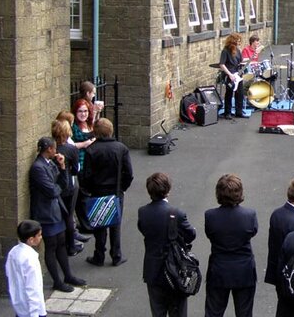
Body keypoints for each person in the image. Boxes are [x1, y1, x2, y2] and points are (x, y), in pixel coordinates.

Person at [29, 137, 86, 292]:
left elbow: (63, 183)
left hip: (56, 210)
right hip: (46, 213)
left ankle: (68, 275)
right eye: (55, 149)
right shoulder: (38, 168)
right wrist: (58, 183)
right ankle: (57, 281)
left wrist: (61, 166)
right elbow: (53, 191)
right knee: (51, 245)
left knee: (61, 242)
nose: (57, 152)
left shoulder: (50, 163)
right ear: (49, 149)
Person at [137, 172, 196, 317]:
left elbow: (143, 229)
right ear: (167, 191)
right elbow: (191, 235)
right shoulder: (177, 214)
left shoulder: (143, 212)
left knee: (157, 310)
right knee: (178, 310)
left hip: (153, 270)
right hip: (175, 269)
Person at [204, 174, 258, 317]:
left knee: (213, 312)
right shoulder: (249, 215)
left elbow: (210, 234)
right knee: (244, 313)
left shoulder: (210, 216)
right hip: (244, 271)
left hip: (218, 271)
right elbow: (253, 232)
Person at [82, 118, 134, 267]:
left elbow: (86, 175)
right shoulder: (121, 148)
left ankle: (99, 256)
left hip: (98, 191)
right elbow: (128, 173)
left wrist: (89, 190)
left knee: (99, 224)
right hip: (116, 191)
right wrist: (123, 187)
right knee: (115, 224)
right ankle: (116, 255)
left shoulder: (91, 150)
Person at [51, 119, 84, 257]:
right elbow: (76, 170)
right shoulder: (71, 149)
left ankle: (61, 245)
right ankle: (71, 246)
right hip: (68, 185)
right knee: (69, 216)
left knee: (59, 215)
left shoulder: (52, 149)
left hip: (54, 186)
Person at [5, 220, 47, 317]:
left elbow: (8, 272)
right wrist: (34, 313)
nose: (41, 237)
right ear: (31, 239)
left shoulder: (13, 252)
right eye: (39, 235)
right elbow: (33, 287)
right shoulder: (31, 259)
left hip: (19, 303)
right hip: (33, 310)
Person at [219, 33, 246, 119]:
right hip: (230, 74)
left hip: (238, 74)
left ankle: (239, 112)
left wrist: (250, 59)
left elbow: (241, 62)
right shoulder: (225, 51)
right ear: (232, 41)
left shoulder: (238, 50)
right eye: (237, 41)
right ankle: (228, 113)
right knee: (229, 93)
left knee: (240, 93)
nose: (239, 43)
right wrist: (229, 75)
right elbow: (222, 64)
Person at [71, 98, 96, 170]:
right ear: (75, 112)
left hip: (94, 159)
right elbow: (69, 145)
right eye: (80, 111)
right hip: (82, 161)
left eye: (85, 111)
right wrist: (85, 143)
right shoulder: (73, 126)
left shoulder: (89, 123)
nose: (83, 114)